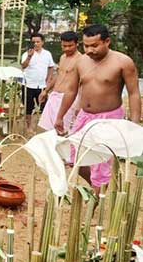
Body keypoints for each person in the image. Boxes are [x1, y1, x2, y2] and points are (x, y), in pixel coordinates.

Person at [55, 24, 141, 190]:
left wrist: (133, 124)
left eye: (94, 45)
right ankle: (96, 186)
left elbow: (134, 93)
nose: (89, 50)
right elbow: (71, 91)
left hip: (109, 119)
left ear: (107, 41)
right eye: (86, 45)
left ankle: (96, 197)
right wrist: (60, 116)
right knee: (73, 158)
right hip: (84, 117)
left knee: (101, 164)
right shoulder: (81, 62)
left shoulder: (123, 62)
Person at [37, 31, 82, 131]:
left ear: (77, 44)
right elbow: (58, 75)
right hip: (54, 95)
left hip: (68, 99)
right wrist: (46, 91)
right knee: (47, 129)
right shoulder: (62, 57)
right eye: (64, 46)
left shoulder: (81, 60)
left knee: (63, 130)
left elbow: (82, 84)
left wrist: (79, 103)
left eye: (70, 46)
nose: (67, 48)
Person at [21, 33, 56, 133]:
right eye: (33, 42)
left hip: (42, 86)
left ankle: (43, 127)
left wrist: (49, 79)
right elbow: (23, 66)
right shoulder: (27, 53)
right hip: (28, 84)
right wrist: (29, 57)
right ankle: (29, 127)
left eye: (38, 41)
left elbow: (51, 67)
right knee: (28, 107)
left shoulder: (47, 54)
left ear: (42, 42)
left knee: (44, 106)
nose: (36, 44)